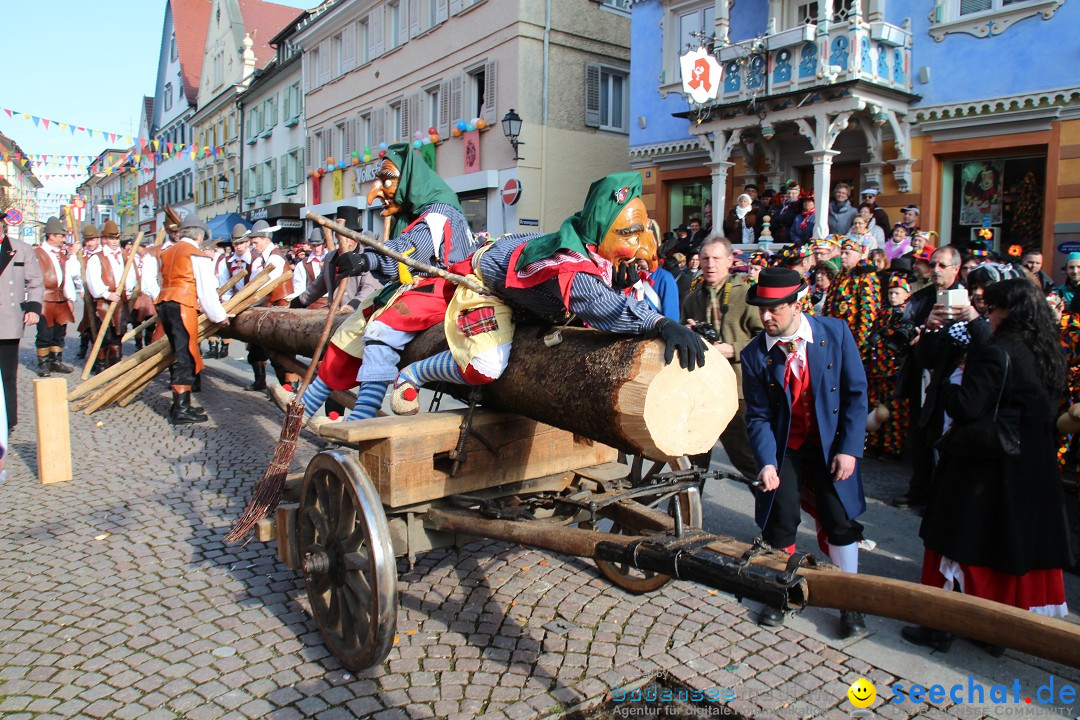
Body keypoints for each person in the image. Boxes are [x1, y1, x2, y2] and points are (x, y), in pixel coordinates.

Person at [382, 172, 709, 415]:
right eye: (629, 234)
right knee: (486, 365)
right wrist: (661, 323)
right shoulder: (570, 264)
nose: (638, 246)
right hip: (486, 284)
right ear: (603, 230)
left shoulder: (593, 249)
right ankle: (414, 374)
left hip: (532, 301)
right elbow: (601, 306)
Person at [903, 278, 1072, 654]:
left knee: (957, 543)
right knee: (1001, 547)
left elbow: (966, 406)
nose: (989, 315)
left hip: (983, 464)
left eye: (992, 308)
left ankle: (941, 625)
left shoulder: (1000, 352)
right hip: (1027, 462)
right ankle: (993, 631)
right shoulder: (1046, 347)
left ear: (1007, 312)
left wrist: (947, 386)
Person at [301, 143, 481, 422]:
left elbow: (412, 250)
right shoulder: (414, 214)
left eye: (388, 180)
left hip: (441, 291)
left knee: (382, 329)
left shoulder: (438, 213)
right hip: (415, 290)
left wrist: (366, 260)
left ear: (409, 180)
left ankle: (362, 416)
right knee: (351, 328)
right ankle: (305, 403)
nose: (378, 190)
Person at [741, 267, 869, 638]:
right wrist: (766, 461)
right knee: (780, 517)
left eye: (774, 309)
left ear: (797, 305)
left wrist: (849, 450)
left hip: (831, 443)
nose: (766, 317)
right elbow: (760, 416)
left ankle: (851, 602)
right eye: (761, 308)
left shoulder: (835, 333)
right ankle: (782, 592)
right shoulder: (754, 356)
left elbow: (856, 395)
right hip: (787, 446)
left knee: (840, 517)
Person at [681, 236, 763, 481]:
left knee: (746, 458)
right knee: (693, 461)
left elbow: (766, 340)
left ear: (729, 261)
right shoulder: (693, 298)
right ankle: (686, 516)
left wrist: (734, 350)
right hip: (703, 391)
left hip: (737, 390)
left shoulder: (746, 294)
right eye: (705, 258)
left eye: (716, 258)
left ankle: (775, 515)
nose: (709, 264)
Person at [892, 245, 965, 509]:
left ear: (956, 268)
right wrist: (912, 333)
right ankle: (919, 489)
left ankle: (942, 494)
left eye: (942, 265)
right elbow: (904, 324)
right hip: (921, 374)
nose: (935, 270)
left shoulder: (964, 296)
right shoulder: (921, 297)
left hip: (951, 377)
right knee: (921, 433)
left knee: (943, 434)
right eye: (933, 264)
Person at [155, 216, 229, 424]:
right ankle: (181, 408)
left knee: (179, 352)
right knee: (185, 354)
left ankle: (182, 405)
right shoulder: (197, 255)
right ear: (199, 235)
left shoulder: (167, 252)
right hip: (182, 305)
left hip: (165, 303)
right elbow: (206, 292)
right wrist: (219, 317)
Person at [0, 210, 43, 427]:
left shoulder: (21, 249)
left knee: (7, 374)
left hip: (8, 319)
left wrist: (33, 308)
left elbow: (35, 282)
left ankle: (7, 421)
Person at [865, 275, 912, 461]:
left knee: (895, 412)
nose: (892, 296)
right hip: (877, 369)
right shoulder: (883, 312)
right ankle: (875, 443)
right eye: (890, 292)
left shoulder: (907, 313)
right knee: (876, 409)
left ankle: (892, 448)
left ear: (906, 295)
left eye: (897, 293)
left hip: (895, 370)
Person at [244, 220, 294, 391]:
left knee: (279, 356)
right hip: (268, 309)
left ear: (266, 239)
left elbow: (267, 288)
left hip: (278, 309)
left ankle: (289, 391)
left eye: (256, 242)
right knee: (256, 349)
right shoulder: (265, 258)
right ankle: (261, 381)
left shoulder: (275, 258)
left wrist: (248, 302)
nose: (253, 245)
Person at [85, 220, 137, 372]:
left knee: (118, 335)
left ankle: (115, 365)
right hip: (104, 303)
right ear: (104, 239)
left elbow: (131, 275)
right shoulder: (97, 258)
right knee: (104, 336)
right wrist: (106, 294)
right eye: (111, 238)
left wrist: (127, 291)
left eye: (116, 238)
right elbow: (93, 281)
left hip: (121, 302)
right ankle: (101, 365)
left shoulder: (124, 256)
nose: (115, 242)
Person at [821, 238, 882, 365]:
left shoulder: (866, 277)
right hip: (834, 338)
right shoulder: (838, 277)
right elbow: (828, 305)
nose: (843, 256)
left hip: (853, 340)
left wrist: (858, 344)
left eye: (847, 253)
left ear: (858, 256)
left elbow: (868, 314)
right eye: (842, 252)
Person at [33, 217, 77, 377]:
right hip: (44, 299)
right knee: (45, 333)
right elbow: (31, 279)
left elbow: (68, 276)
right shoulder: (36, 254)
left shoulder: (60, 254)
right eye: (60, 236)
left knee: (59, 332)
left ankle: (56, 361)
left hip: (60, 297)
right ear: (51, 236)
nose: (62, 239)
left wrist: (70, 298)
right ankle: (43, 363)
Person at [75, 224, 102, 360]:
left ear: (98, 239)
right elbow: (76, 275)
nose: (90, 243)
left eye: (93, 240)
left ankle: (102, 355)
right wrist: (81, 289)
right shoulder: (82, 256)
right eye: (88, 240)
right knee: (88, 323)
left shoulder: (104, 254)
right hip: (88, 295)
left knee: (102, 325)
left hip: (103, 295)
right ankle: (86, 349)